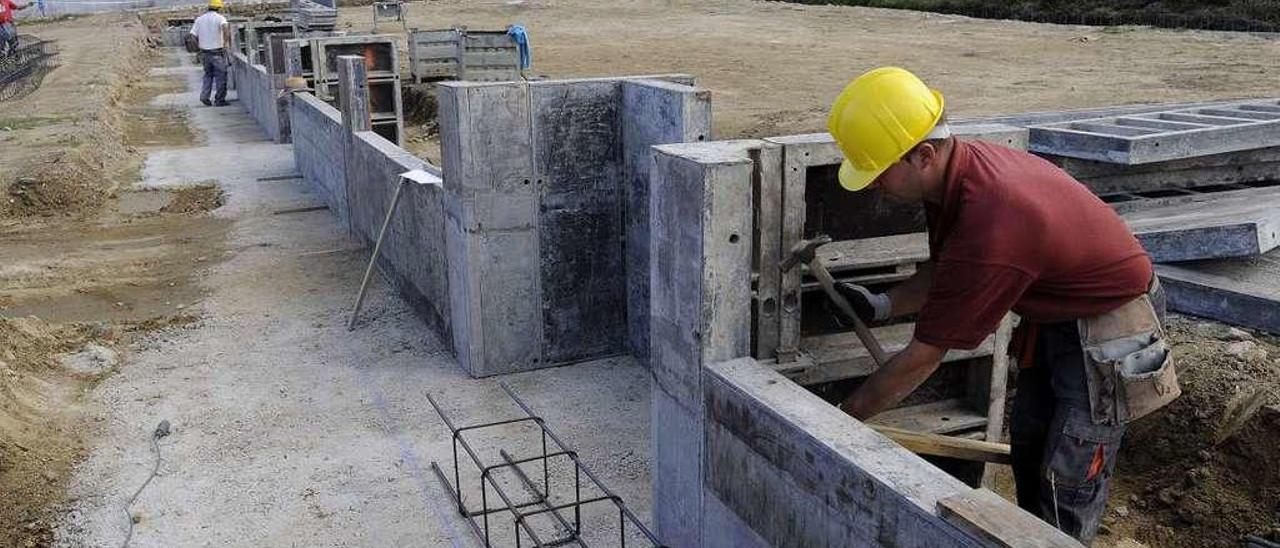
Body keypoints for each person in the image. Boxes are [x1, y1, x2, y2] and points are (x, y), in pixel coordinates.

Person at [825, 67, 1180, 544]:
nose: (871, 186)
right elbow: (946, 269)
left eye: (877, 172)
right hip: (1059, 314)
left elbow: (924, 356)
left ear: (923, 155)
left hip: (1115, 327)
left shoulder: (992, 218)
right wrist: (883, 303)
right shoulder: (953, 177)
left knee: (1067, 476)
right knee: (1031, 442)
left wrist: (837, 420)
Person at [189, 0, 231, 106]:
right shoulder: (220, 18)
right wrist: (226, 43)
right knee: (221, 76)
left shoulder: (199, 19)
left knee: (208, 75)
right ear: (218, 8)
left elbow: (192, 36)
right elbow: (225, 29)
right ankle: (219, 100)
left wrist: (197, 49)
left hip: (205, 53)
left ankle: (204, 97)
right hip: (217, 52)